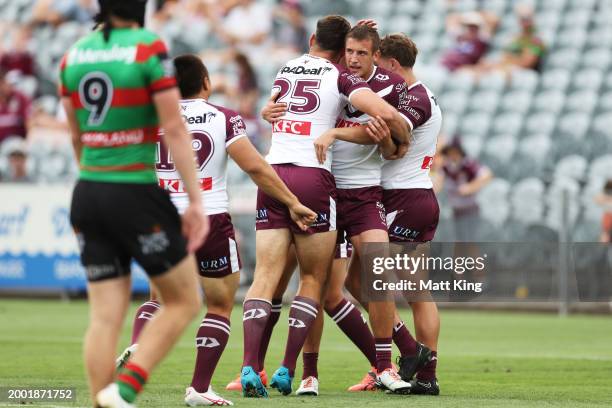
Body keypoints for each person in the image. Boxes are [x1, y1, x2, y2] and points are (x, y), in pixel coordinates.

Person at [116, 54, 316, 407]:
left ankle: (139, 339)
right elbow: (255, 166)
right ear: (206, 83)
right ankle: (199, 388)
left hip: (160, 218)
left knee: (158, 297)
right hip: (207, 218)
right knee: (220, 305)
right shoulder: (223, 118)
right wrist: (291, 201)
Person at [240, 15, 411, 398]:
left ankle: (250, 366)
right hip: (312, 177)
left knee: (265, 277)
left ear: (313, 38)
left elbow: (273, 110)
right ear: (339, 52)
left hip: (273, 173)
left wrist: (268, 113)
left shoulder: (285, 69)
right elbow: (384, 114)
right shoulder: (339, 77)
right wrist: (400, 136)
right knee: (313, 281)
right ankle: (288, 369)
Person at [59, 1, 208, 407]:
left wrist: (92, 185)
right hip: (135, 191)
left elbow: (75, 137)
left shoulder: (73, 55)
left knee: (104, 317)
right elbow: (174, 127)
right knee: (184, 300)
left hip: (88, 189)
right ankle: (123, 390)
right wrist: (195, 201)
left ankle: (102, 401)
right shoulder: (147, 48)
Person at [440, 139, 493, 242]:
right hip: (456, 209)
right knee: (460, 239)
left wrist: (470, 187)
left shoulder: (468, 165)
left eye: (455, 152)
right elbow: (439, 180)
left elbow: (487, 175)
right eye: (450, 152)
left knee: (470, 240)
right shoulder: (446, 167)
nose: (452, 155)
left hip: (470, 208)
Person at [0, 68, 31, 143]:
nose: (7, 85)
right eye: (3, 83)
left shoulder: (20, 98)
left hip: (17, 142)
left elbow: (29, 122)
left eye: (6, 82)